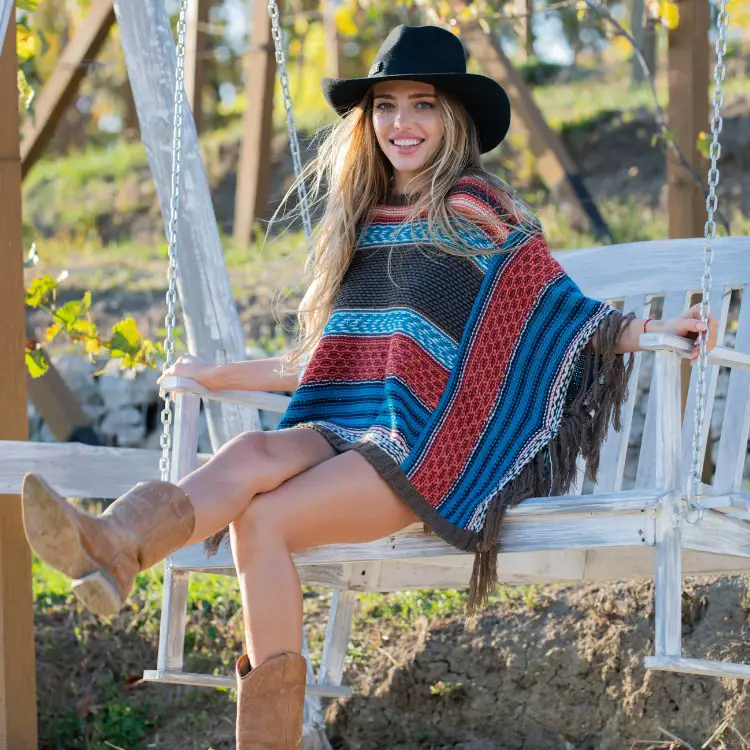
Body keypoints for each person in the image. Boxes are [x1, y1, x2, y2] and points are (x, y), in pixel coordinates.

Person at [21, 24, 718, 750]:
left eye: (422, 104)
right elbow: (330, 360)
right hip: (343, 427)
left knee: (260, 522)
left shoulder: (478, 210)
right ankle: (112, 544)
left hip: (420, 452)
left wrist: (651, 333)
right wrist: (217, 373)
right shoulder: (363, 219)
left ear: (454, 118)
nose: (401, 124)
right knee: (257, 451)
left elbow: (558, 312)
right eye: (386, 106)